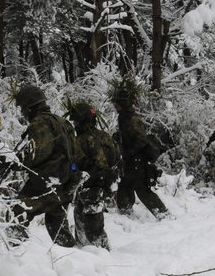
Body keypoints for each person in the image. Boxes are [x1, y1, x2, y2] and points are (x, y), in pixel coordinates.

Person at [12, 82, 77, 247]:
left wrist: (16, 161)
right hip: (65, 182)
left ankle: (17, 257)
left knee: (15, 213)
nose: (22, 112)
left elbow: (38, 154)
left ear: (30, 106)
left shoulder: (40, 123)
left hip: (45, 183)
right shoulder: (63, 122)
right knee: (58, 228)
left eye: (23, 108)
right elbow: (79, 153)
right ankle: (74, 262)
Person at [109, 76, 169, 219]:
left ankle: (163, 215)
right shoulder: (124, 117)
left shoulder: (132, 119)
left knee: (142, 189)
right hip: (130, 161)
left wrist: (129, 153)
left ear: (123, 104)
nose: (115, 108)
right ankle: (126, 215)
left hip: (136, 161)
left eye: (117, 105)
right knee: (124, 187)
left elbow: (141, 140)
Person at [66, 99, 120, 249]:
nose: (75, 125)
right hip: (104, 184)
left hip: (90, 187)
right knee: (86, 222)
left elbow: (75, 163)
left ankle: (102, 256)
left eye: (76, 121)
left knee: (90, 228)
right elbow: (116, 156)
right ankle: (88, 256)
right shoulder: (105, 136)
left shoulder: (79, 141)